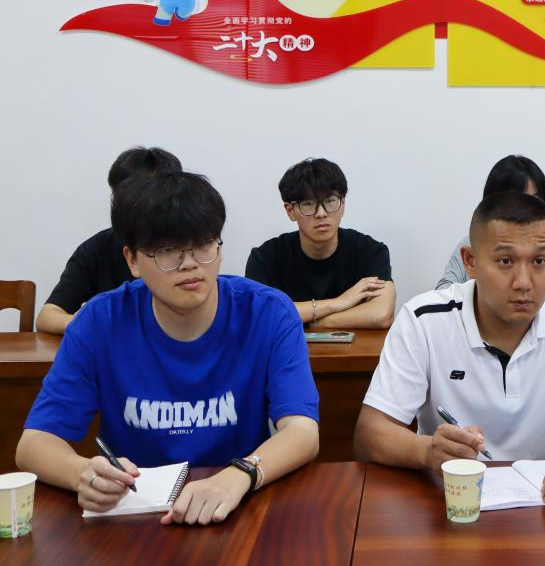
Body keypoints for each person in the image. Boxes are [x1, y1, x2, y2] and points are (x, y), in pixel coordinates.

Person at [17, 171, 320, 523]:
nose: (189, 264)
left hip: (236, 505)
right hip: (134, 513)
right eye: (167, 251)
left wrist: (240, 474)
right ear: (132, 260)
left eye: (203, 245)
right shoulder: (100, 321)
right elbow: (34, 443)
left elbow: (302, 432)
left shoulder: (268, 312)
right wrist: (81, 473)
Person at [353, 192, 545, 500]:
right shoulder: (424, 320)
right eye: (505, 261)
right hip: (453, 503)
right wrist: (428, 450)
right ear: (470, 261)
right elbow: (369, 434)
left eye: (539, 261)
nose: (524, 282)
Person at [36, 146, 182, 335]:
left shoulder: (190, 248)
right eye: (119, 196)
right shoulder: (98, 248)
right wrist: (90, 322)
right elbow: (47, 316)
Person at [246, 158, 395, 329]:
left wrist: (311, 322)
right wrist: (338, 303)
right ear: (290, 210)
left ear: (342, 204)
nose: (321, 213)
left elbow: (381, 315)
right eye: (308, 204)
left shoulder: (370, 251)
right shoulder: (265, 257)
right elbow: (259, 314)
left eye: (330, 201)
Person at [435, 155, 545, 301]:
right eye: (505, 260)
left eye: (538, 261)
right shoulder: (475, 244)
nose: (524, 212)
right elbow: (442, 298)